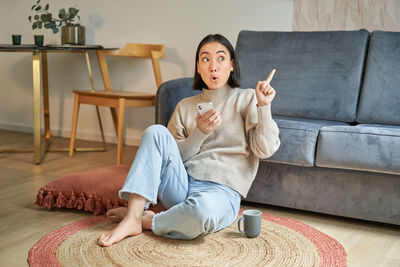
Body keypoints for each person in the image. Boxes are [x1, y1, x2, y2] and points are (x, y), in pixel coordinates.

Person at [98, 34, 280, 247]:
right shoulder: (185, 106)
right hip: (180, 185)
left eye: (221, 58)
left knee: (200, 212)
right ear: (198, 67)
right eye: (205, 59)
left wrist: (264, 106)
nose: (213, 66)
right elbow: (172, 157)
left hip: (220, 193)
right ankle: (133, 217)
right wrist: (199, 133)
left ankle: (148, 220)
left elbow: (265, 149)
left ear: (231, 65)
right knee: (156, 132)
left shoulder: (248, 98)